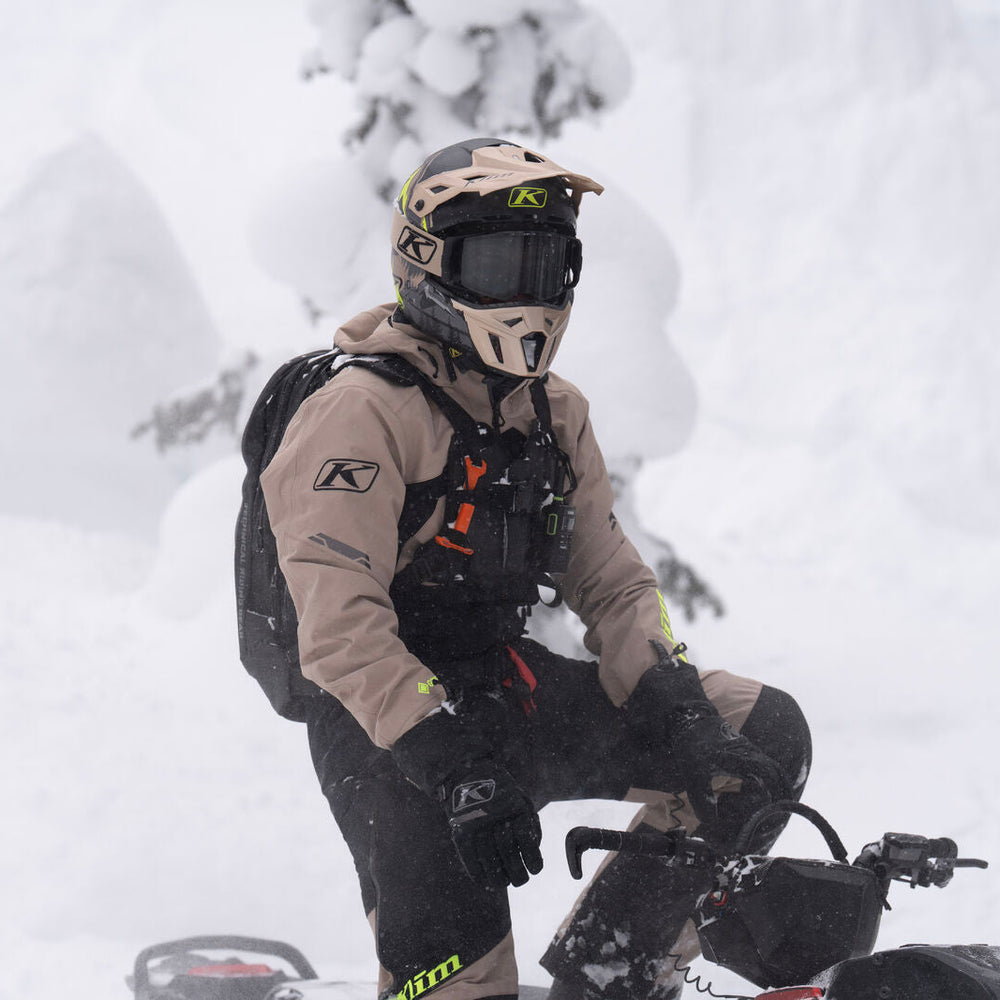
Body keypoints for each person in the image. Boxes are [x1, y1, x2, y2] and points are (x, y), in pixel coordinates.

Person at [260, 137, 811, 1000]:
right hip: (392, 735)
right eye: (497, 266)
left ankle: (609, 975)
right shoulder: (357, 413)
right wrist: (451, 763)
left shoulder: (554, 412)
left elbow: (613, 581)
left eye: (545, 266)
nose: (526, 294)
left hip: (507, 688)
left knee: (759, 735)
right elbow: (337, 626)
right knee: (464, 985)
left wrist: (683, 714)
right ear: (427, 261)